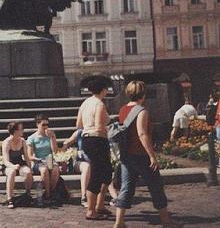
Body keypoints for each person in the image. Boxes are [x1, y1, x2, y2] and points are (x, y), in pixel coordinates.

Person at [114, 81, 180, 228]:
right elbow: (142, 133)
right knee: (156, 186)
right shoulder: (142, 111)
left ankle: (119, 222)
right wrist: (152, 155)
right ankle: (166, 221)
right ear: (143, 94)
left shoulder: (123, 109)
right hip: (141, 155)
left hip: (126, 155)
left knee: (126, 187)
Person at [76, 77, 112, 220]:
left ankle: (99, 205)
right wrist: (110, 131)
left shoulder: (85, 103)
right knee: (98, 174)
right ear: (103, 90)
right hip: (97, 139)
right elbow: (98, 126)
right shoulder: (99, 104)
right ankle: (91, 210)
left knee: (106, 172)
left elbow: (78, 123)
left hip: (87, 139)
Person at [27, 114, 60, 204]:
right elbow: (30, 156)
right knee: (44, 169)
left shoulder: (50, 135)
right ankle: (48, 195)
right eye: (43, 125)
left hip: (49, 160)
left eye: (47, 125)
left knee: (56, 169)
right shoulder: (32, 138)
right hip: (38, 160)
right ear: (37, 124)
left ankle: (51, 191)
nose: (46, 127)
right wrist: (39, 159)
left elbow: (55, 151)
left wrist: (52, 137)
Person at [2, 121, 33, 208]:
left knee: (27, 172)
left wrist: (30, 168)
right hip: (9, 164)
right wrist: (13, 166)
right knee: (12, 172)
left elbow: (26, 157)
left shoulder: (22, 141)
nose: (23, 131)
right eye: (21, 129)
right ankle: (10, 198)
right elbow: (5, 161)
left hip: (20, 163)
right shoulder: (6, 142)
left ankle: (27, 193)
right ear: (15, 131)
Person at [62, 128, 89, 207]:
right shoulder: (80, 132)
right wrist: (65, 154)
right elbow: (67, 143)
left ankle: (114, 196)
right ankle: (84, 197)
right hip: (80, 161)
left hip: (94, 161)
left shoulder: (97, 131)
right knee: (86, 167)